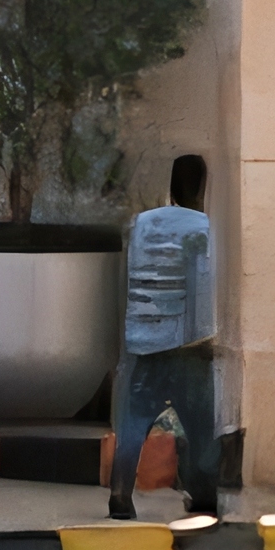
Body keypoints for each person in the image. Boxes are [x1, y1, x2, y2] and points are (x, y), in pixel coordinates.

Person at [108, 154, 222, 521]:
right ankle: (204, 498)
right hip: (188, 347)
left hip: (144, 342)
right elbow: (203, 286)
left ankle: (120, 495)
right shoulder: (205, 227)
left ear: (172, 186)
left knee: (133, 425)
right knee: (202, 427)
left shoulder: (140, 224)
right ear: (202, 187)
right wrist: (208, 339)